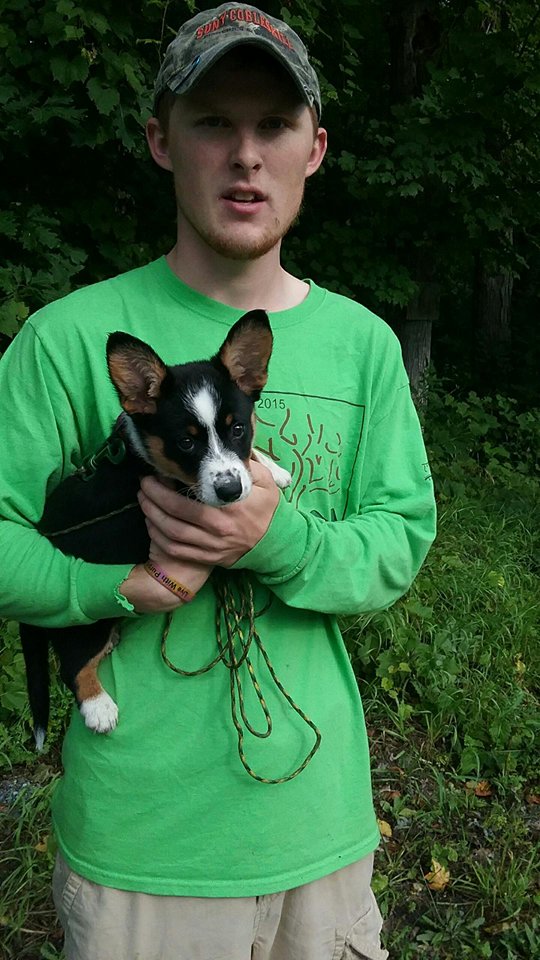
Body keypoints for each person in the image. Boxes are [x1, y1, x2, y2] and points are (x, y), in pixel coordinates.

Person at [0, 5, 436, 959]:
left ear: (314, 149)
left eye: (273, 126)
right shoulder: (70, 338)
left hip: (319, 839)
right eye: (212, 123)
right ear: (161, 140)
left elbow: (399, 542)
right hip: (141, 854)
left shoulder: (364, 345)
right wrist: (112, 587)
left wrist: (274, 538)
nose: (247, 155)